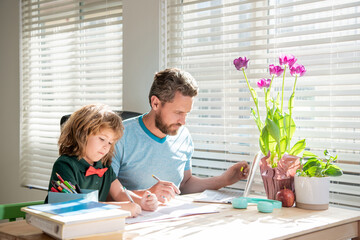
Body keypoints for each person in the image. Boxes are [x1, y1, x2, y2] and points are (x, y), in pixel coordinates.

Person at [112, 68, 249, 203]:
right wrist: (147, 194)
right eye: (178, 113)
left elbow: (184, 184)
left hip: (169, 218)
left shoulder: (183, 136)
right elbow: (104, 193)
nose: (183, 122)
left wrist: (225, 179)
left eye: (186, 114)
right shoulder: (118, 136)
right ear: (155, 103)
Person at [45, 104, 158, 217]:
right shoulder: (65, 165)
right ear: (82, 134)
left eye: (110, 142)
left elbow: (119, 192)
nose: (106, 147)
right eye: (102, 139)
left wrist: (141, 201)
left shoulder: (104, 166)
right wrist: (120, 208)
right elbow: (74, 207)